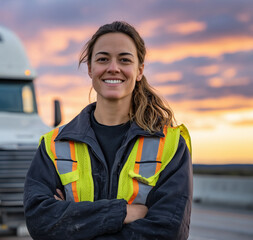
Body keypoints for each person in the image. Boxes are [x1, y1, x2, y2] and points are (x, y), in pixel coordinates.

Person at [23, 21, 193, 240]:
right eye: (103, 59)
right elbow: (40, 222)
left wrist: (73, 220)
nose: (113, 67)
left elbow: (169, 231)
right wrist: (122, 213)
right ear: (91, 69)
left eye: (124, 59)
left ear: (139, 70)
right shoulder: (54, 145)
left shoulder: (170, 144)